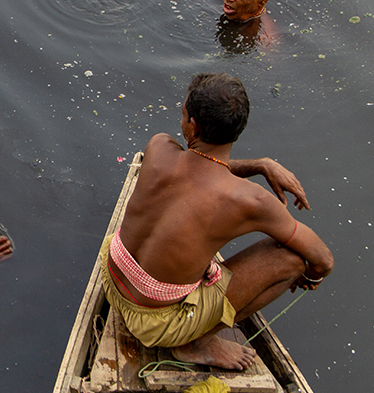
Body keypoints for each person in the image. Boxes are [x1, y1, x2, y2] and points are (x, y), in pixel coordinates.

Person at [103, 73, 333, 370]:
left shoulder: (159, 147)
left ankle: (193, 327)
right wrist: (310, 276)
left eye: (184, 114)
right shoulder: (251, 201)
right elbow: (323, 259)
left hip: (112, 277)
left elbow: (198, 166)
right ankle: (195, 343)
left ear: (193, 126)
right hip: (156, 325)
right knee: (291, 260)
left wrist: (261, 165)